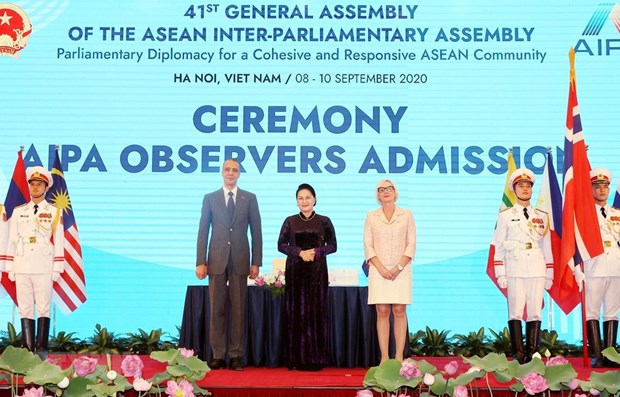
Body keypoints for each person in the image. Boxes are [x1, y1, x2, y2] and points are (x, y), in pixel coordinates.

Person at [195, 158, 262, 371]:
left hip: (241, 260)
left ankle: (235, 355)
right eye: (227, 169)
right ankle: (217, 355)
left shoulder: (249, 198)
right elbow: (203, 231)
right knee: (216, 310)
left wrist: (256, 262)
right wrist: (200, 262)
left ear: (239, 174)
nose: (231, 173)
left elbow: (256, 232)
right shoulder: (210, 198)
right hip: (215, 260)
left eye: (235, 170)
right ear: (222, 172)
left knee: (238, 310)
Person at [493, 168, 553, 364]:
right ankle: (518, 353)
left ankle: (533, 352)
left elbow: (547, 246)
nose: (525, 189)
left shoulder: (541, 216)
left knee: (535, 310)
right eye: (521, 186)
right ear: (514, 190)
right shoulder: (506, 215)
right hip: (515, 266)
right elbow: (499, 246)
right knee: (515, 311)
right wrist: (500, 272)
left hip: (536, 266)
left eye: (528, 186)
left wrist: (550, 272)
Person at [5, 166, 64, 359]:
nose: (36, 187)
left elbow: (59, 241)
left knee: (44, 306)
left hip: (43, 264)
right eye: (33, 184)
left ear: (46, 187)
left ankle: (41, 348)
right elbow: (12, 240)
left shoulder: (54, 212)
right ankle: (27, 349)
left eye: (40, 184)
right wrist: (10, 266)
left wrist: (57, 266)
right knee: (25, 306)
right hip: (22, 263)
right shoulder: (19, 211)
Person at [277, 183, 337, 371]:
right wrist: (299, 252)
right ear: (296, 202)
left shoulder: (324, 221)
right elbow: (281, 244)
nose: (304, 201)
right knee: (296, 313)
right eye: (301, 198)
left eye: (308, 197)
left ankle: (316, 359)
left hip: (317, 273)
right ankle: (295, 359)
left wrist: (317, 252)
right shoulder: (289, 221)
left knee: (315, 313)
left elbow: (333, 245)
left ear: (315, 199)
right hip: (295, 272)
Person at [363, 179, 416, 364]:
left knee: (400, 310)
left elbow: (411, 244)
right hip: (378, 270)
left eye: (389, 188)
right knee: (382, 310)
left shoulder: (407, 214)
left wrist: (397, 267)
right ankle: (384, 358)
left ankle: (399, 356)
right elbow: (368, 245)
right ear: (377, 195)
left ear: (395, 193)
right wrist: (382, 268)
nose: (385, 192)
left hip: (401, 269)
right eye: (381, 189)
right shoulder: (371, 216)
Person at [573, 168, 620, 368]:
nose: (602, 190)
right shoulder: (584, 215)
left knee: (612, 313)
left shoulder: (616, 213)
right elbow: (574, 243)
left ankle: (610, 354)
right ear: (590, 188)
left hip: (616, 268)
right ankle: (597, 355)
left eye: (605, 186)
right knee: (592, 312)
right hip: (593, 268)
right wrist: (576, 268)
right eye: (597, 186)